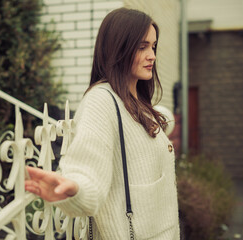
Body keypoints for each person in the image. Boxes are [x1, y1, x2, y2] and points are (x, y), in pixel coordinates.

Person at [25, 7, 180, 239]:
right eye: (142, 47)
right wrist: (73, 189)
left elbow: (145, 131)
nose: (152, 56)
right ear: (119, 48)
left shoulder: (138, 101)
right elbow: (87, 168)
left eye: (153, 46)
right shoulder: (101, 101)